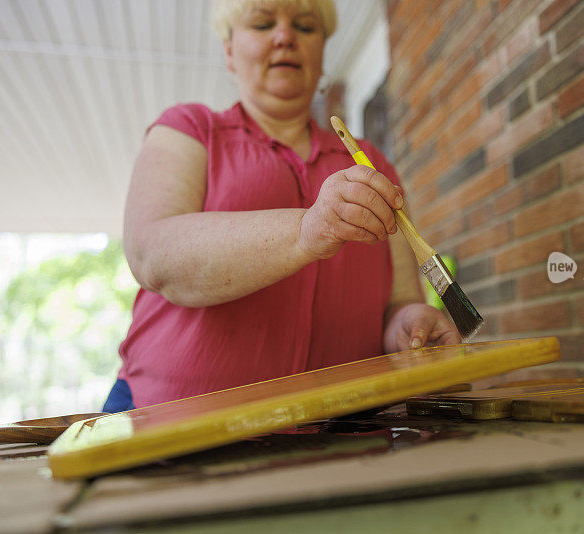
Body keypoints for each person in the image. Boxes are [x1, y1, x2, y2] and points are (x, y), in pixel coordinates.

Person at [103, 0, 460, 412]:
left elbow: (399, 303)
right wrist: (310, 228)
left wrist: (410, 327)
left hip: (339, 439)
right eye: (262, 22)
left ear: (322, 52)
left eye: (305, 27)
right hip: (164, 422)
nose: (285, 36)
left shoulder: (371, 164)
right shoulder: (190, 130)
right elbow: (153, 254)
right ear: (229, 50)